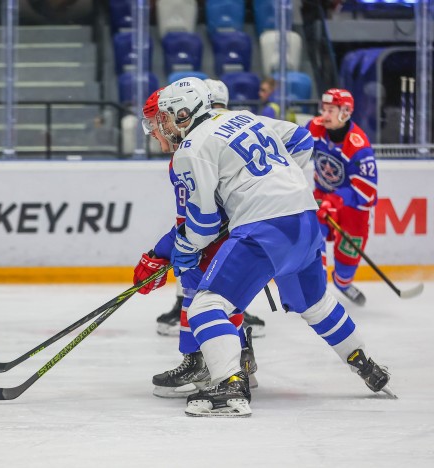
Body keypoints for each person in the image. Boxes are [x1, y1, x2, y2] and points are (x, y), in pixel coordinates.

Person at [149, 76, 393, 417]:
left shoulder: (191, 148)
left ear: (184, 112)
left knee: (205, 306)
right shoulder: (245, 118)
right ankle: (365, 363)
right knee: (316, 305)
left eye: (165, 116)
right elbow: (302, 139)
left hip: (265, 229)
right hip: (306, 220)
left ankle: (230, 386)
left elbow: (204, 226)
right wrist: (274, 185)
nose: (161, 125)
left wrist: (181, 250)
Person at [135, 82, 258, 398]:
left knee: (202, 293)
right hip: (239, 238)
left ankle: (207, 364)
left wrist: (162, 252)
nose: (154, 131)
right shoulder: (202, 144)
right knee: (215, 295)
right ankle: (239, 359)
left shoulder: (192, 151)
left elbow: (197, 222)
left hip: (225, 241)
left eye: (156, 123)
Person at [154, 79, 267, 338]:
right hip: (214, 221)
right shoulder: (189, 149)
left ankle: (236, 325)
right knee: (193, 260)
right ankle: (189, 314)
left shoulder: (222, 133)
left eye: (219, 108)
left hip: (243, 221)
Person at [307, 89, 377, 306]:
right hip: (322, 194)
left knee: (347, 260)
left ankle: (343, 282)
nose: (324, 115)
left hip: (353, 207)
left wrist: (336, 202)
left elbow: (367, 193)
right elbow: (293, 149)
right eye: (324, 109)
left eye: (331, 110)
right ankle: (317, 288)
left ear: (345, 112)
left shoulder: (359, 147)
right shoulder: (315, 127)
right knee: (313, 229)